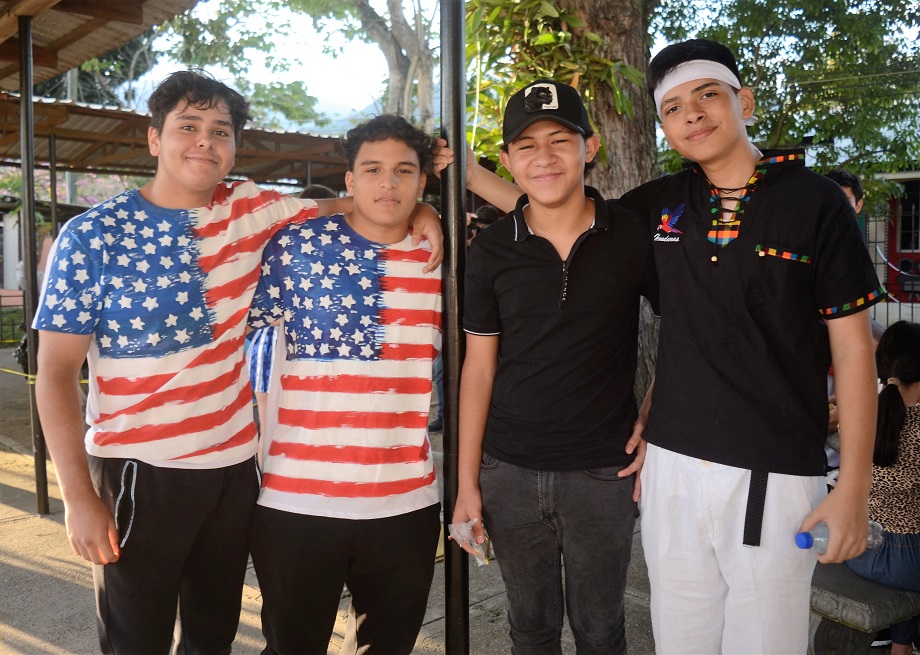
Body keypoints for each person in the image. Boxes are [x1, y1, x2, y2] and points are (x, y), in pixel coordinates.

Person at [437, 40, 881, 654]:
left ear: (743, 101)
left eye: (708, 96)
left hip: (773, 469)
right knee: (680, 640)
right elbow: (552, 208)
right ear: (663, 125)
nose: (692, 114)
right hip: (668, 465)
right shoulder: (662, 205)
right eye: (673, 107)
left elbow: (856, 353)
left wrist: (853, 488)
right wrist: (451, 185)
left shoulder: (815, 203)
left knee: (764, 643)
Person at [31, 71, 442, 654]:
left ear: (233, 147)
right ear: (155, 139)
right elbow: (52, 374)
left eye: (220, 131)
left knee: (213, 637)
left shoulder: (251, 208)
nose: (204, 141)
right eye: (188, 127)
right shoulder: (92, 236)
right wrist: (77, 498)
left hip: (232, 471)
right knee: (135, 640)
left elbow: (353, 202)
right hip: (137, 471)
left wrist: (425, 210)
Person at [450, 79, 657, 653]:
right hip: (509, 472)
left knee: (601, 629)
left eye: (560, 140)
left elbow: (689, 332)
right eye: (527, 145)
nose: (545, 157)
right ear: (509, 160)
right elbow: (478, 369)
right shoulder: (491, 251)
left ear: (588, 149)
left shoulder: (632, 235)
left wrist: (653, 414)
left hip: (602, 475)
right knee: (531, 630)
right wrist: (468, 484)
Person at [247, 114, 442, 654]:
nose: (389, 184)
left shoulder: (441, 262)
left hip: (405, 503)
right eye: (373, 170)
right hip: (295, 502)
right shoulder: (295, 248)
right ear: (349, 180)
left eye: (405, 171)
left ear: (422, 181)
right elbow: (224, 329)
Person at [846, 320, 920, 655]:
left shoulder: (862, 413)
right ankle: (902, 645)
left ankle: (897, 643)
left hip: (859, 550)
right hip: (908, 561)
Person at [248, 183, 338, 438]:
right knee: (277, 423)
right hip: (279, 343)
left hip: (271, 342)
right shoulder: (288, 250)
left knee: (271, 426)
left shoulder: (281, 246)